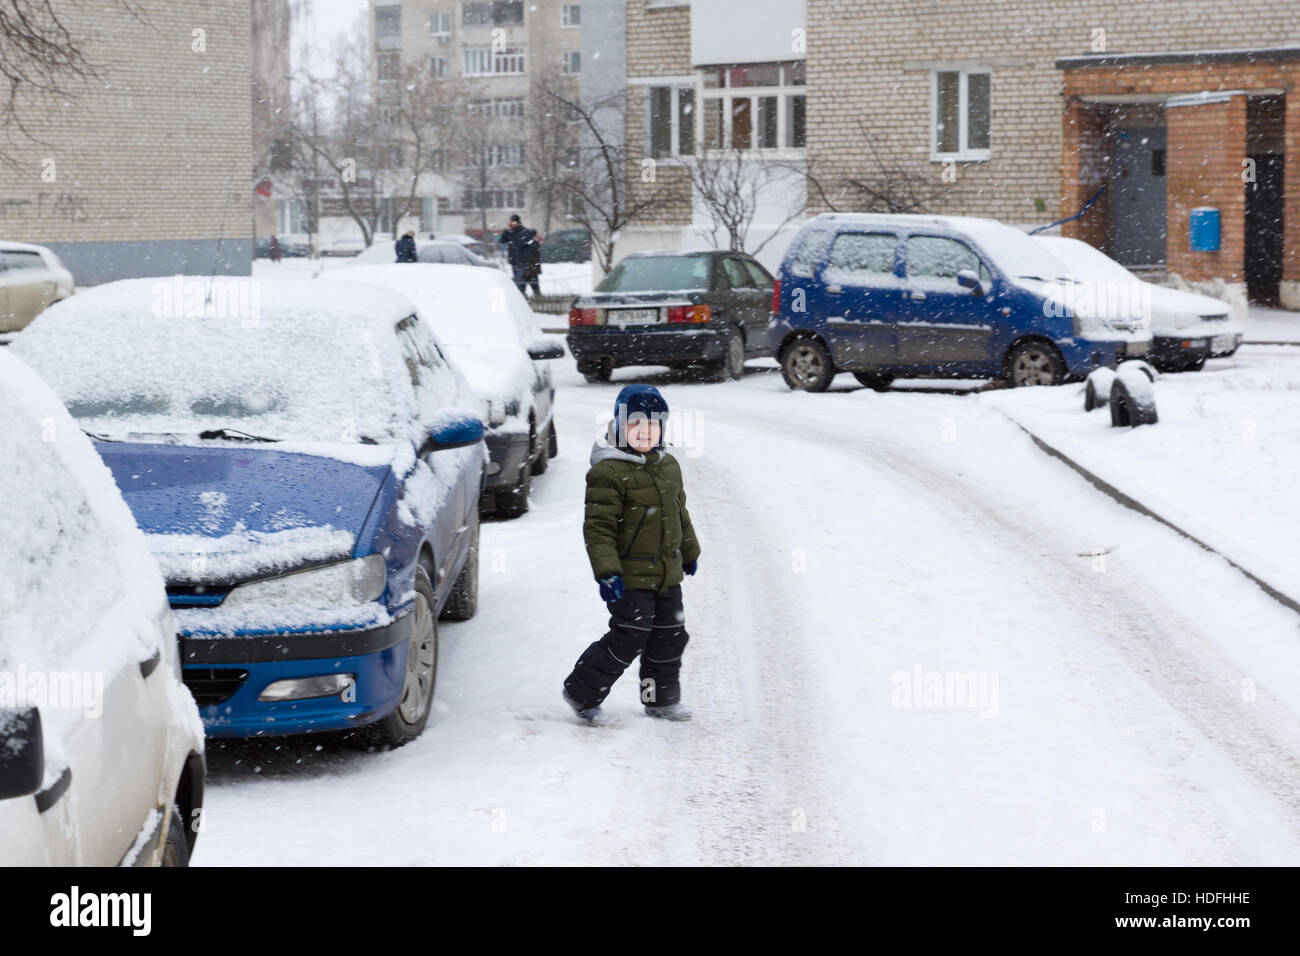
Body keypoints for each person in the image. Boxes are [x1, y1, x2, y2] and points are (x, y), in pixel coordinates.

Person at [562, 385, 701, 723]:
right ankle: (581, 692)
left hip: (666, 573)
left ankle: (659, 700)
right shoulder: (608, 472)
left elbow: (680, 512)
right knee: (630, 635)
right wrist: (607, 572)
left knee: (670, 636)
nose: (644, 432)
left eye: (652, 426)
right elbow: (599, 529)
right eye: (635, 425)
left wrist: (689, 549)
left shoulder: (668, 466)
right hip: (628, 576)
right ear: (620, 426)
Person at [497, 214, 542, 297]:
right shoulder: (509, 233)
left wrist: (524, 256)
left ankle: (526, 299)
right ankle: (523, 299)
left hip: (523, 262)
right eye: (510, 222)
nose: (511, 224)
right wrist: (506, 231)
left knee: (522, 282)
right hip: (514, 262)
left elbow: (533, 246)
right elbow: (502, 241)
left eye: (513, 222)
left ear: (518, 222)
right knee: (520, 283)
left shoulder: (524, 232)